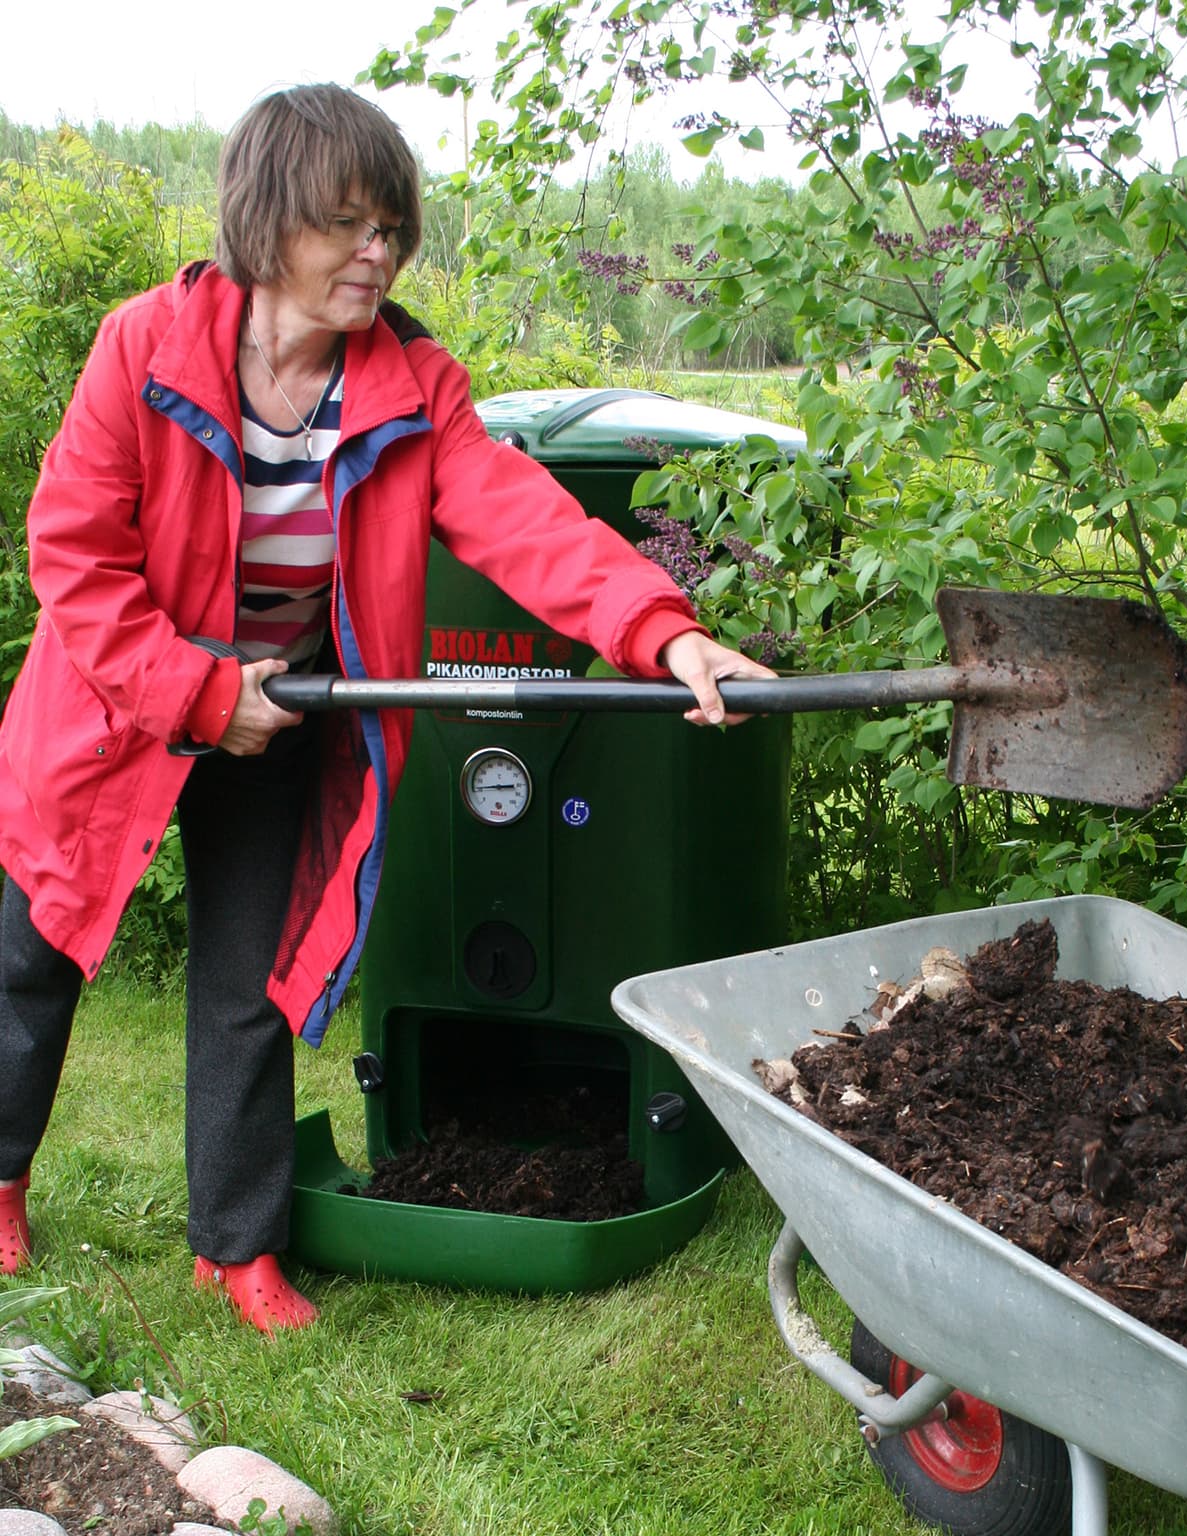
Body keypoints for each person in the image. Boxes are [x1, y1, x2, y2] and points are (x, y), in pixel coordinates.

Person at [0, 84, 774, 1331]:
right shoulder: (143, 350)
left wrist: (664, 630)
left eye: (394, 231)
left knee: (248, 981)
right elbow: (74, 563)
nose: (380, 254)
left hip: (285, 712)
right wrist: (196, 690)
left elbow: (529, 525)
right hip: (110, 706)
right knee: (27, 956)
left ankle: (236, 1246)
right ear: (269, 224)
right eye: (352, 226)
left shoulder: (411, 386)